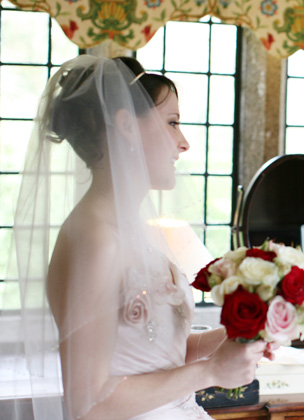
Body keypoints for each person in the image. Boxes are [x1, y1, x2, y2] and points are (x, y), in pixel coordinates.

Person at [6, 55, 274, 420]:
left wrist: (246, 332)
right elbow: (90, 404)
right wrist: (209, 373)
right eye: (172, 123)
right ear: (126, 126)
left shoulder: (136, 232)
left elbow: (161, 354)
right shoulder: (94, 237)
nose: (183, 143)